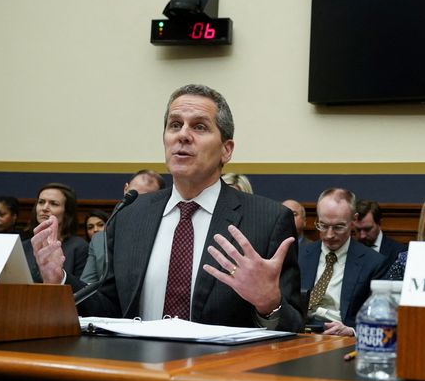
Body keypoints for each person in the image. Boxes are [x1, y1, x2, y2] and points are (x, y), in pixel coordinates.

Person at [30, 84, 303, 331]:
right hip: (136, 375)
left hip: (220, 379)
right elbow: (110, 309)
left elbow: (293, 329)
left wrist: (269, 303)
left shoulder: (267, 221)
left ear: (226, 150)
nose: (183, 135)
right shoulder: (131, 215)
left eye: (199, 127)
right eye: (175, 125)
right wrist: (61, 279)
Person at [299, 188, 388, 336]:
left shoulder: (373, 263)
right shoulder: (300, 255)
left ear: (354, 220)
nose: (329, 235)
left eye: (338, 227)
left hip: (342, 336)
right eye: (323, 225)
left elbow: (380, 316)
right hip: (301, 333)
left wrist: (352, 331)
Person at [80, 169, 167, 284]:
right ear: (125, 189)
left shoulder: (165, 237)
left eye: (146, 198)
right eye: (133, 194)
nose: (137, 203)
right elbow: (87, 285)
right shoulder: (99, 240)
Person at [23, 183, 88, 280]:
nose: (44, 208)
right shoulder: (24, 246)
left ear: (67, 212)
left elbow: (82, 287)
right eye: (41, 202)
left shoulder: (79, 247)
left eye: (54, 204)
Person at [355, 199, 407, 268]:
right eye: (358, 230)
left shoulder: (399, 252)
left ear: (379, 223)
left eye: (367, 229)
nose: (362, 236)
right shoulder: (349, 250)